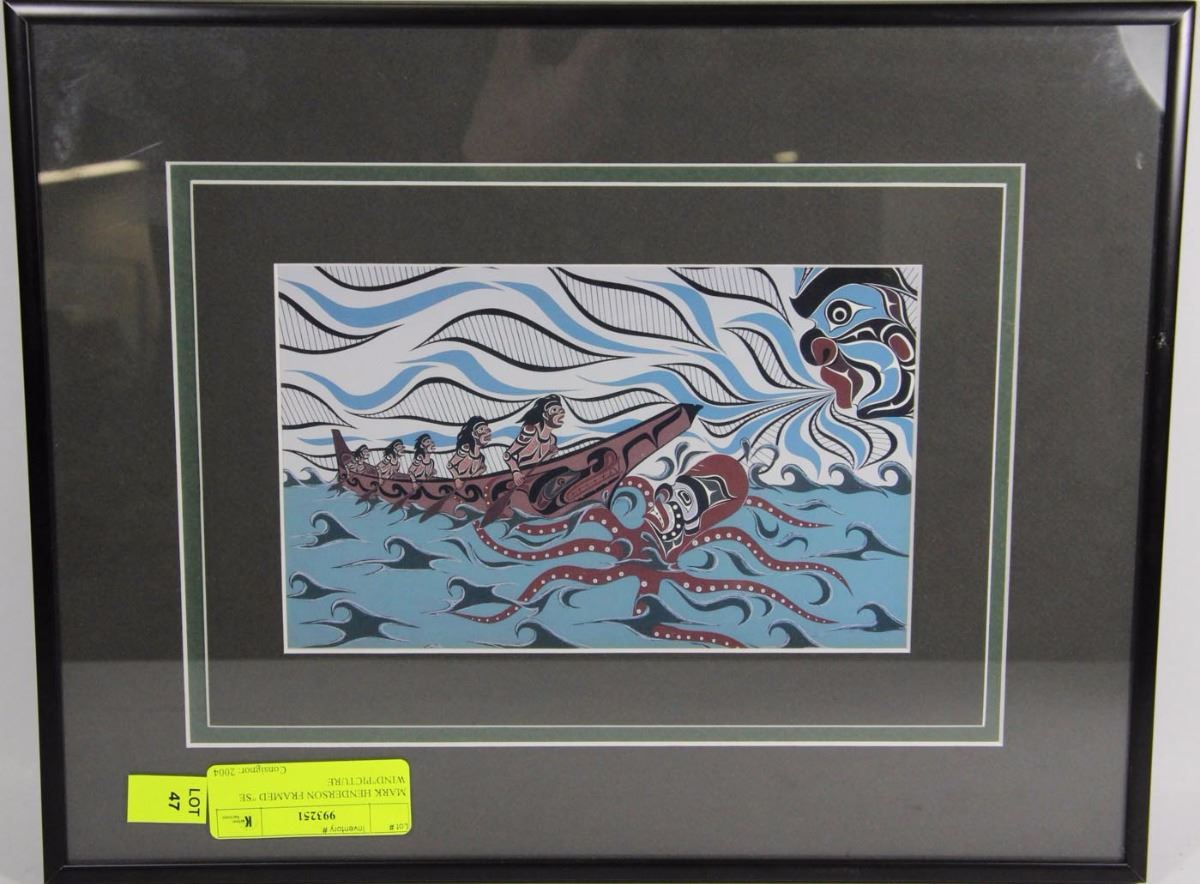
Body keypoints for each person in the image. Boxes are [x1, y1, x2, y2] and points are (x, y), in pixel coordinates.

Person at [504, 395, 565, 486]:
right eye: (554, 410)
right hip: (523, 479)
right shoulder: (530, 431)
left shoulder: (552, 440)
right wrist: (516, 472)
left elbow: (540, 463)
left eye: (561, 410)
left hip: (541, 479)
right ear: (545, 415)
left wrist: (550, 454)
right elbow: (507, 455)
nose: (560, 413)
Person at [448, 416, 491, 489]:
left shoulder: (481, 458)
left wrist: (478, 473)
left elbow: (482, 469)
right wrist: (456, 478)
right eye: (481, 429)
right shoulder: (465, 449)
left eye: (487, 429)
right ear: (474, 434)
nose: (487, 432)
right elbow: (450, 465)